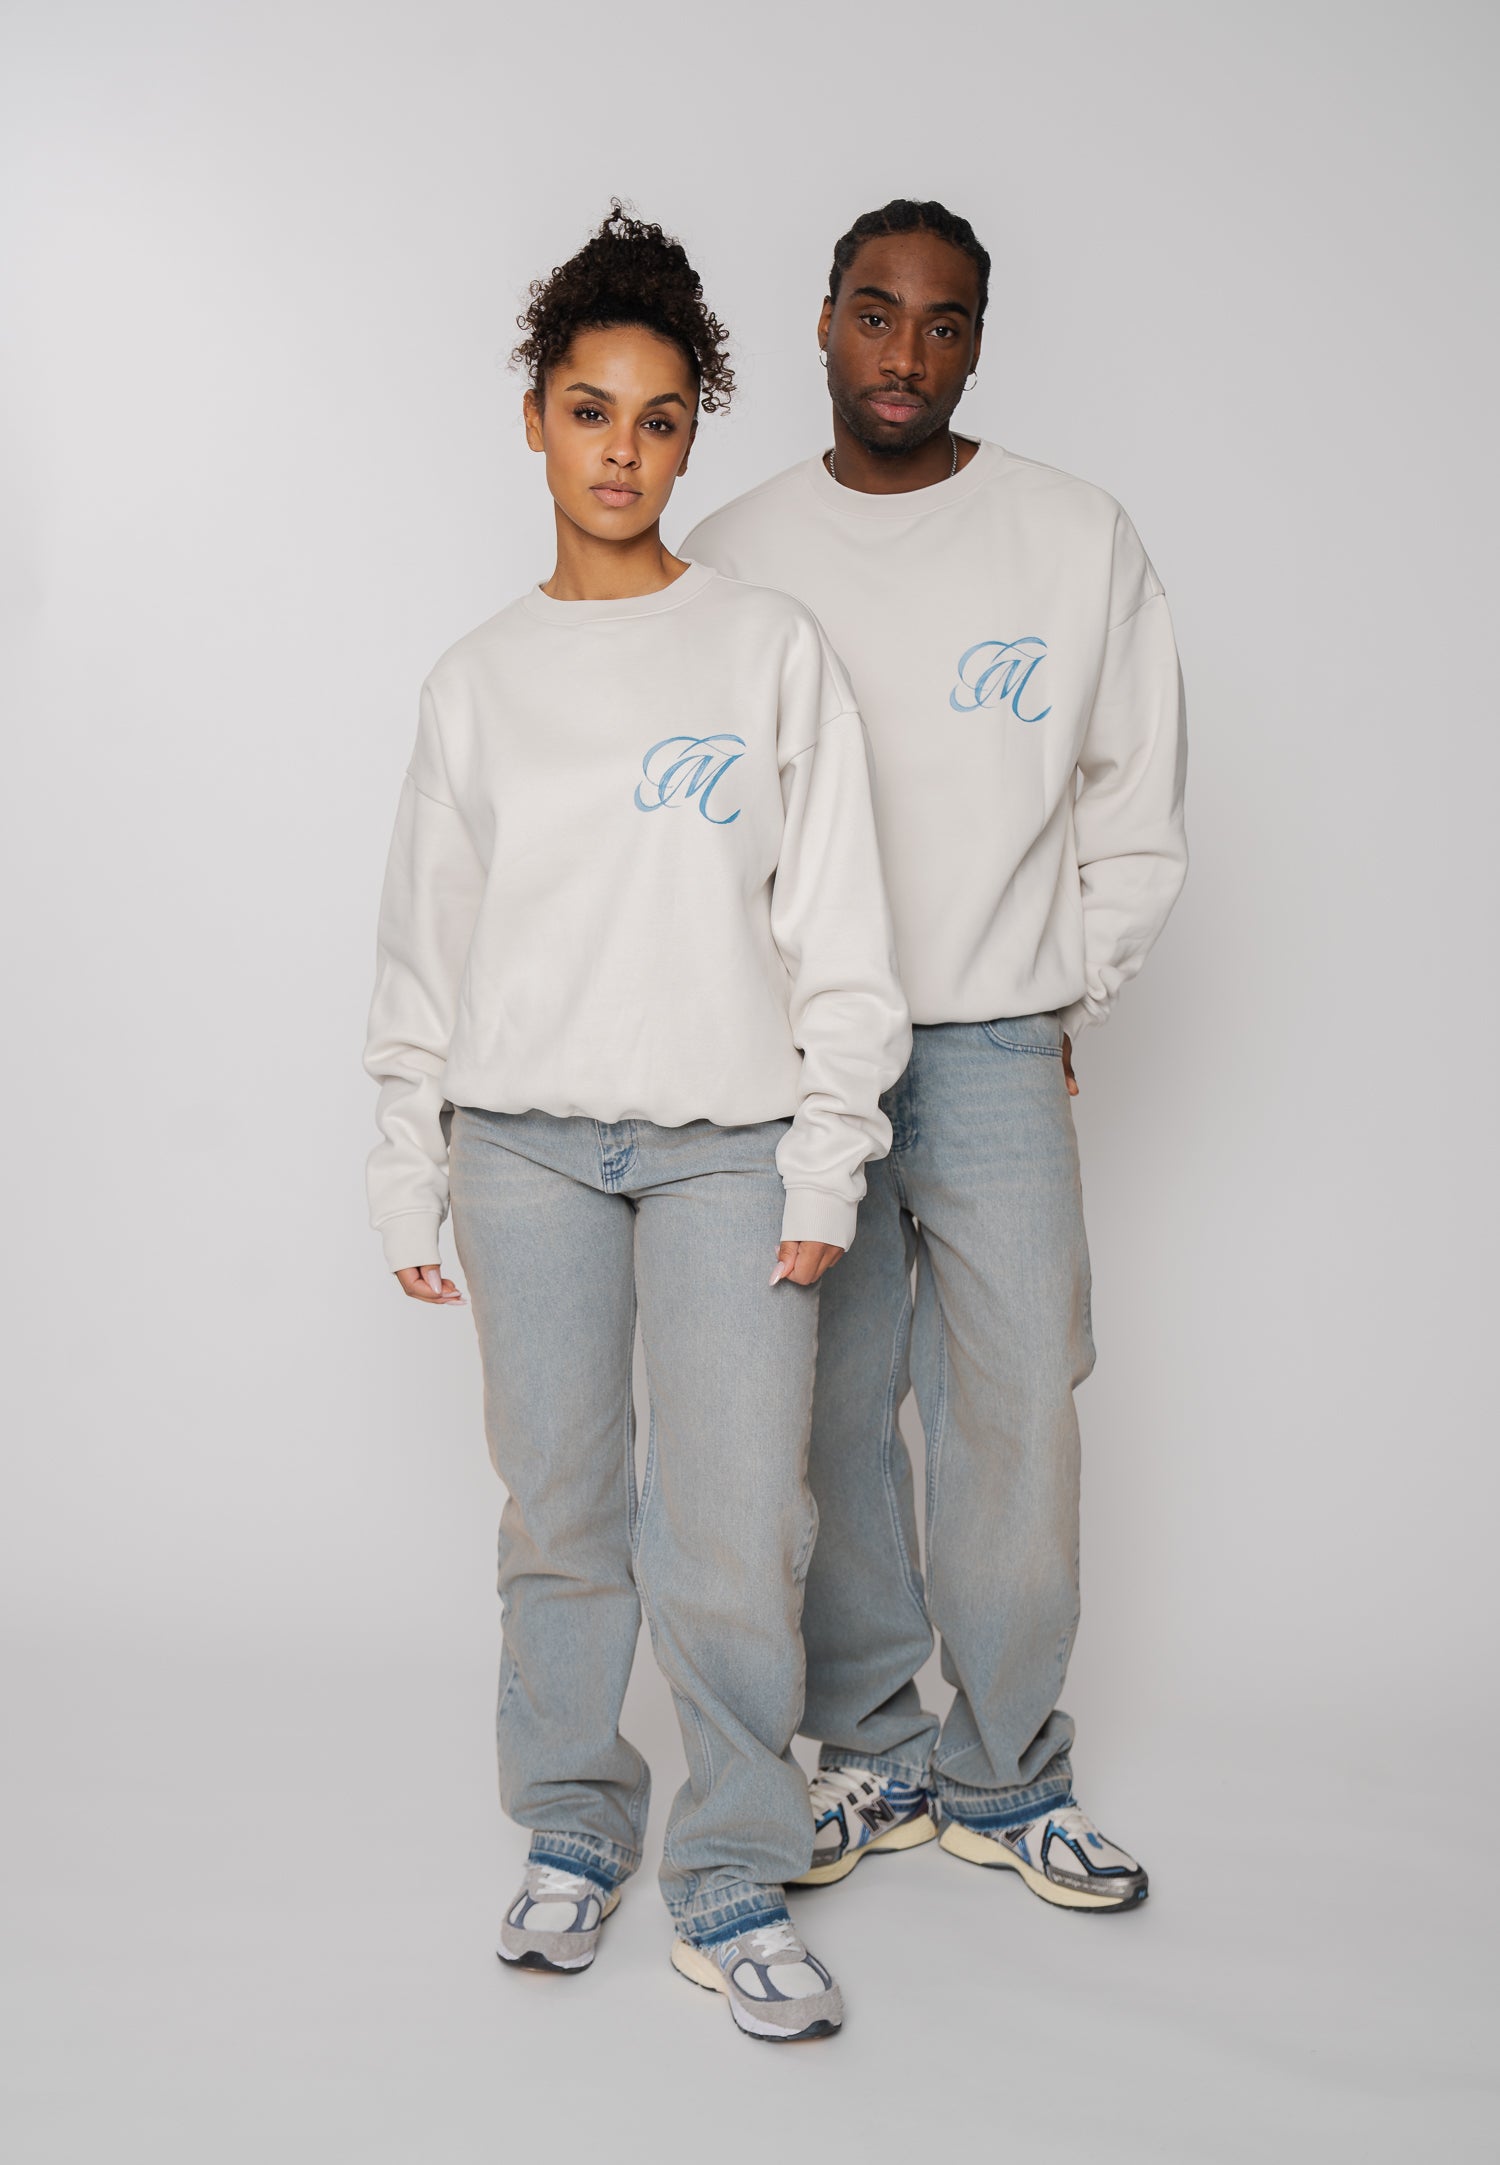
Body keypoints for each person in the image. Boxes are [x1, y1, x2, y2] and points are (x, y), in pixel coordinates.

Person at [363, 206, 910, 2040]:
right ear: (535, 419)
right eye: (590, 410)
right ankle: (575, 1821)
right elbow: (423, 944)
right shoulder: (476, 680)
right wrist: (406, 1164)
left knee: (739, 1522)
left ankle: (736, 1862)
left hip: (729, 1149)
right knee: (563, 1510)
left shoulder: (766, 648)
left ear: (692, 438)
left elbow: (841, 928)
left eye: (661, 419)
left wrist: (828, 1147)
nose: (622, 450)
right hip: (521, 1148)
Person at [684, 197, 1187, 1909]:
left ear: (980, 342)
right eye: (877, 312)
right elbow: (705, 827)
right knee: (821, 1412)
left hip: (988, 1046)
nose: (907, 352)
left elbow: (1134, 796)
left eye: (946, 321)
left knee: (1020, 1404)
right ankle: (875, 1749)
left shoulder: (1072, 537)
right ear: (824, 322)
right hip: (799, 1058)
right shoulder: (737, 551)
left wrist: (1064, 994)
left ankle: (1007, 1770)